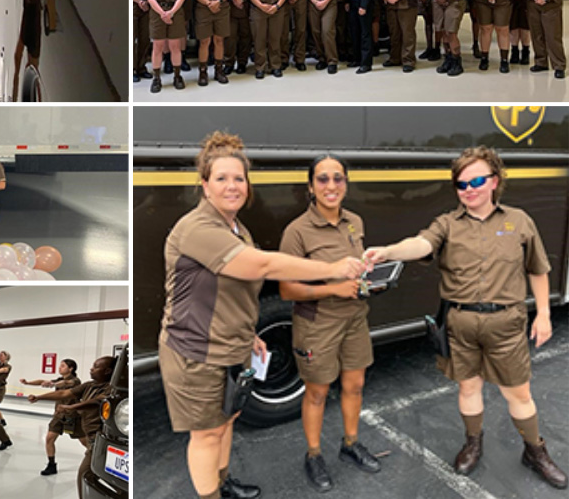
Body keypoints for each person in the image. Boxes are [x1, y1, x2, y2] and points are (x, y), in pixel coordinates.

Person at [160, 132, 365, 499]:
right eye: (221, 178)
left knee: (227, 422)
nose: (232, 186)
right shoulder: (198, 228)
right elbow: (262, 265)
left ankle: (223, 483)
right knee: (206, 433)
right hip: (197, 351)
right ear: (204, 185)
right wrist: (333, 268)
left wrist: (247, 333)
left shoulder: (237, 227)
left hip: (233, 344)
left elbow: (234, 291)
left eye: (239, 178)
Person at [365, 147, 566, 489]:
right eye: (461, 184)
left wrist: (544, 314)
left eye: (476, 180)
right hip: (460, 323)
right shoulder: (447, 224)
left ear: (494, 182)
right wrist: (388, 251)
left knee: (518, 393)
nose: (468, 189)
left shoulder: (519, 221)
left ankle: (535, 451)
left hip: (507, 323)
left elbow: (538, 269)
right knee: (468, 387)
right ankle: (473, 443)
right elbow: (421, 244)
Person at [278, 155, 381, 491]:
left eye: (338, 178)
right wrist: (334, 286)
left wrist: (369, 280)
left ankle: (350, 444)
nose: (331, 186)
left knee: (354, 385)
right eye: (322, 179)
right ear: (310, 187)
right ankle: (313, 455)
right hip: (317, 323)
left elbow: (356, 268)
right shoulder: (297, 232)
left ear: (346, 184)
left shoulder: (355, 222)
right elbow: (286, 288)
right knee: (318, 393)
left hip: (354, 317)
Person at [32, 355, 117, 499]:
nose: (91, 368)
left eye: (96, 367)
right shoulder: (89, 385)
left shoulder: (109, 388)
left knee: (87, 471)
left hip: (93, 432)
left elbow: (97, 401)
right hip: (69, 418)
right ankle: (51, 464)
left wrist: (71, 407)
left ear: (108, 371)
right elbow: (63, 392)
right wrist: (39, 397)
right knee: (50, 438)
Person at [21, 359, 82, 477]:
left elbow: (65, 384)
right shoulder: (59, 379)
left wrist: (52, 385)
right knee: (49, 439)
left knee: (84, 441)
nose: (60, 368)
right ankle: (51, 464)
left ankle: (93, 457)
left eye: (63, 366)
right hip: (59, 415)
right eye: (60, 365)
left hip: (73, 416)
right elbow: (42, 381)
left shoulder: (75, 381)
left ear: (71, 369)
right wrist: (28, 383)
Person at [141, 0, 189, 92]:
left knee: (175, 46)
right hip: (157, 13)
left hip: (175, 11)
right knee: (158, 46)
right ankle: (157, 78)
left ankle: (177, 76)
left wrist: (171, 12)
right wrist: (163, 13)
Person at [190, 0, 233, 86]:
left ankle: (219, 70)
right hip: (203, 10)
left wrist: (219, 1)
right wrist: (209, 3)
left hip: (222, 9)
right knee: (204, 42)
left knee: (219, 40)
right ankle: (203, 72)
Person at [247, 0, 288, 79]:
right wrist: (260, 5)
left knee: (275, 39)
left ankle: (275, 66)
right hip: (258, 11)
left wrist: (277, 6)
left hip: (276, 10)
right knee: (259, 40)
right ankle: (260, 67)